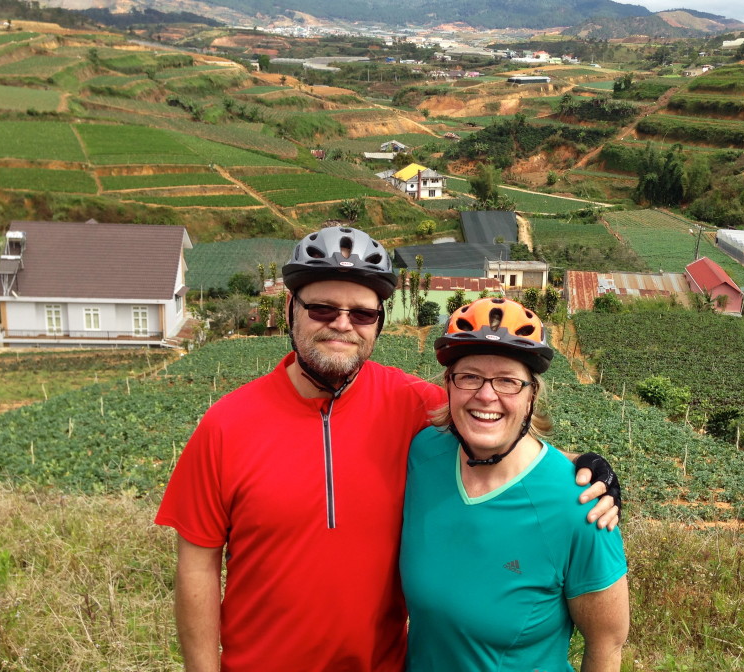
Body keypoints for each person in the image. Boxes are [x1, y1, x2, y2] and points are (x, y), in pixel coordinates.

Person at [155, 226, 620, 672]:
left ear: (378, 322)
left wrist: (579, 467)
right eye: (322, 309)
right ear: (290, 309)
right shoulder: (226, 425)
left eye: (361, 313)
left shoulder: (410, 402)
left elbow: (495, 420)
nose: (342, 325)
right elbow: (196, 568)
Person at [401, 297, 629, 672]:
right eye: (470, 376)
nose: (486, 395)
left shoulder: (582, 505)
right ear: (449, 384)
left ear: (531, 395)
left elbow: (607, 643)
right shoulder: (423, 455)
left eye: (507, 381)